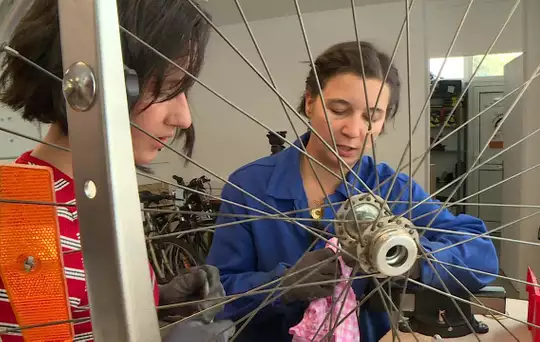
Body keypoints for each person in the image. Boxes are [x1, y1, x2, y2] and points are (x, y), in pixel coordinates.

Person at [206, 41, 499, 341]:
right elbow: (214, 295)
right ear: (309, 102)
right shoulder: (248, 186)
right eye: (338, 109)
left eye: (371, 117)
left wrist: (414, 262)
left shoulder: (390, 189)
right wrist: (282, 285)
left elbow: (481, 253)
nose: (354, 130)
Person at [0, 1, 232, 341]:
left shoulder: (89, 197)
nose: (184, 118)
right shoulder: (27, 218)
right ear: (102, 82)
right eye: (169, 89)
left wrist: (153, 304)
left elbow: (78, 320)